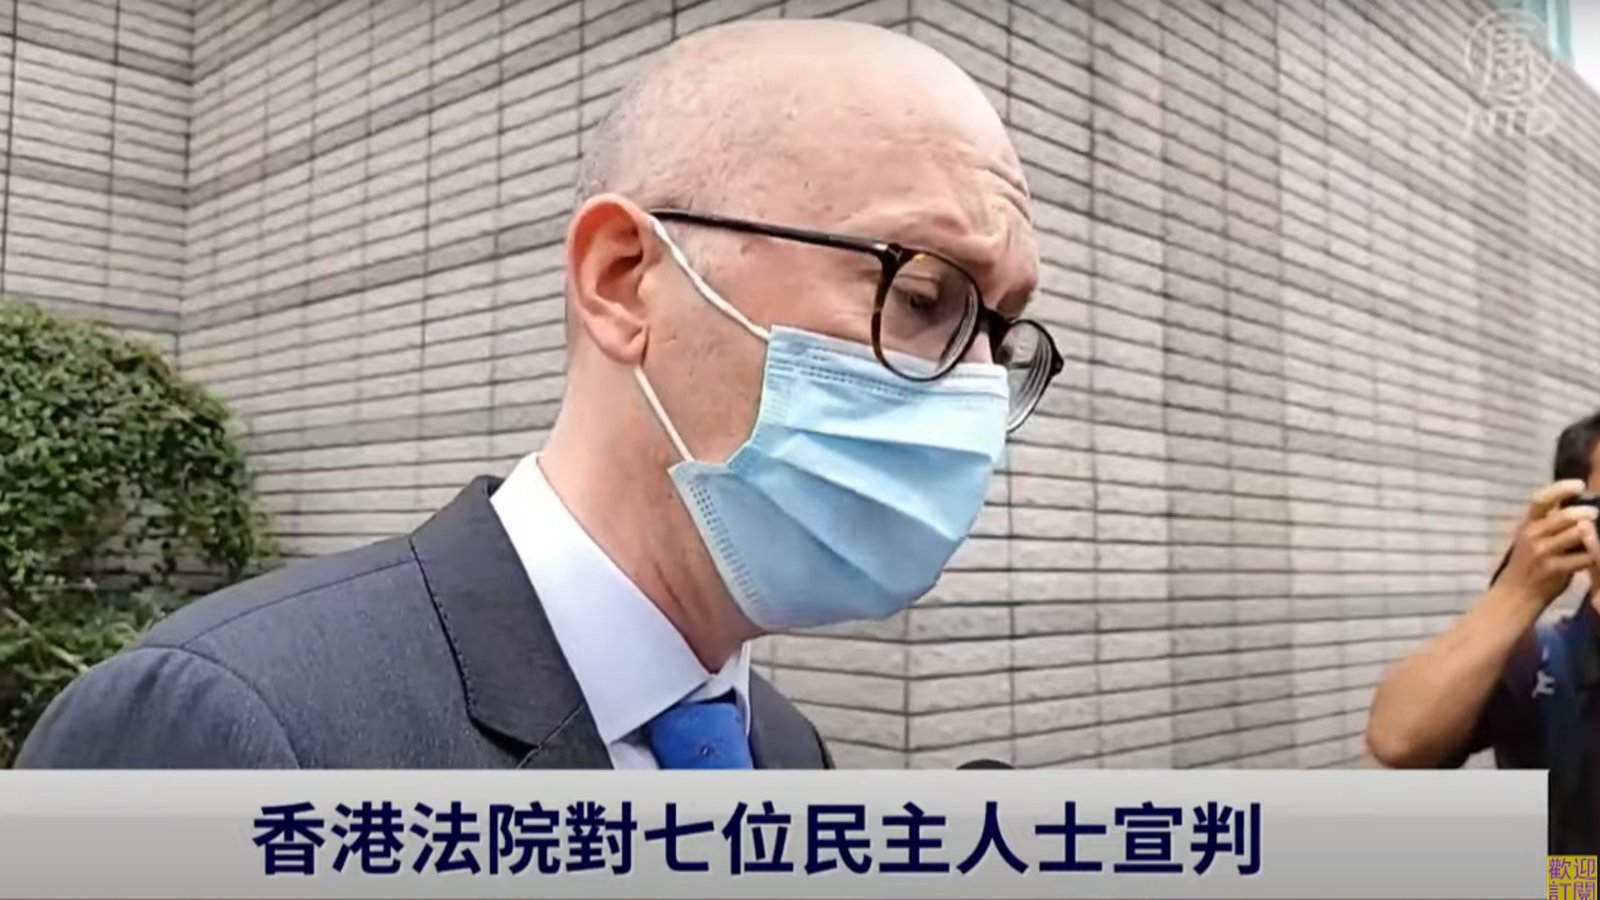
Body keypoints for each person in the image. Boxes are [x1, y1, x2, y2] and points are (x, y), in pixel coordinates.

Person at [15, 20, 1057, 770]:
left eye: (1001, 335)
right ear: (622, 281)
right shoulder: (225, 726)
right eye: (923, 296)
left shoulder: (784, 752)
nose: (972, 387)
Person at [1366, 412, 1600, 851]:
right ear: (1575, 522)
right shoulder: (1544, 661)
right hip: (1576, 875)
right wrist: (1517, 592)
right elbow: (1397, 739)